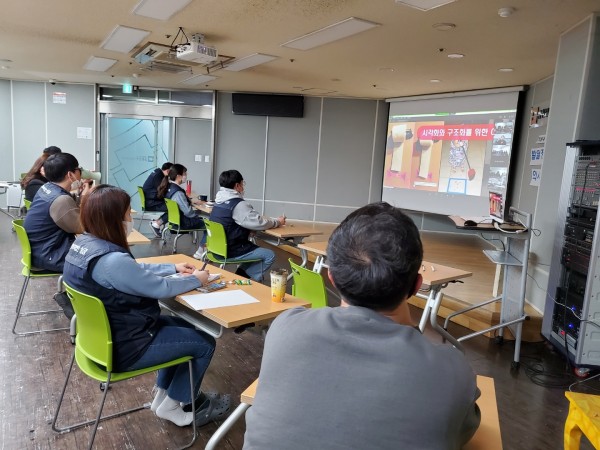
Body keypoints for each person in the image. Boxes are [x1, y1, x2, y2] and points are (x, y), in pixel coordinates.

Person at [243, 202, 481, 450]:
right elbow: (460, 432)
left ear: (332, 278)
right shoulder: (452, 372)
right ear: (417, 285)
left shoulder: (285, 328)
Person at [62, 185, 231, 427]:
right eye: (128, 214)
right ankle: (172, 407)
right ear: (113, 219)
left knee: (188, 328)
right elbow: (160, 288)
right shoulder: (112, 260)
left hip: (100, 339)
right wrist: (197, 279)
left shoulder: (84, 246)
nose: (131, 218)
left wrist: (172, 268)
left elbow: (132, 271)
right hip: (126, 346)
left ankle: (162, 398)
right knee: (204, 344)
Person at [209, 170, 285, 282]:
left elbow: (230, 223)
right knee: (269, 255)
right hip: (232, 249)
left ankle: (240, 276)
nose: (243, 187)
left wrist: (246, 229)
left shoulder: (218, 201)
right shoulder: (238, 204)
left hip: (216, 249)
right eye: (242, 184)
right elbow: (259, 222)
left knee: (254, 253)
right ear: (237, 185)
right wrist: (277, 222)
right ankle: (244, 280)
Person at [156, 163, 206, 259]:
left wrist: (192, 202)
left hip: (175, 221)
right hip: (185, 222)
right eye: (185, 174)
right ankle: (201, 251)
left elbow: (181, 204)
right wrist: (199, 215)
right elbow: (188, 213)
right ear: (178, 176)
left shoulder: (169, 187)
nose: (185, 176)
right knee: (209, 224)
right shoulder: (178, 192)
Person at [143, 162, 173, 237]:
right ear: (168, 171)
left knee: (172, 205)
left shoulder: (157, 172)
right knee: (173, 208)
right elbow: (162, 192)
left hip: (150, 200)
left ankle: (157, 223)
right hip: (151, 202)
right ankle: (156, 224)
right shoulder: (158, 176)